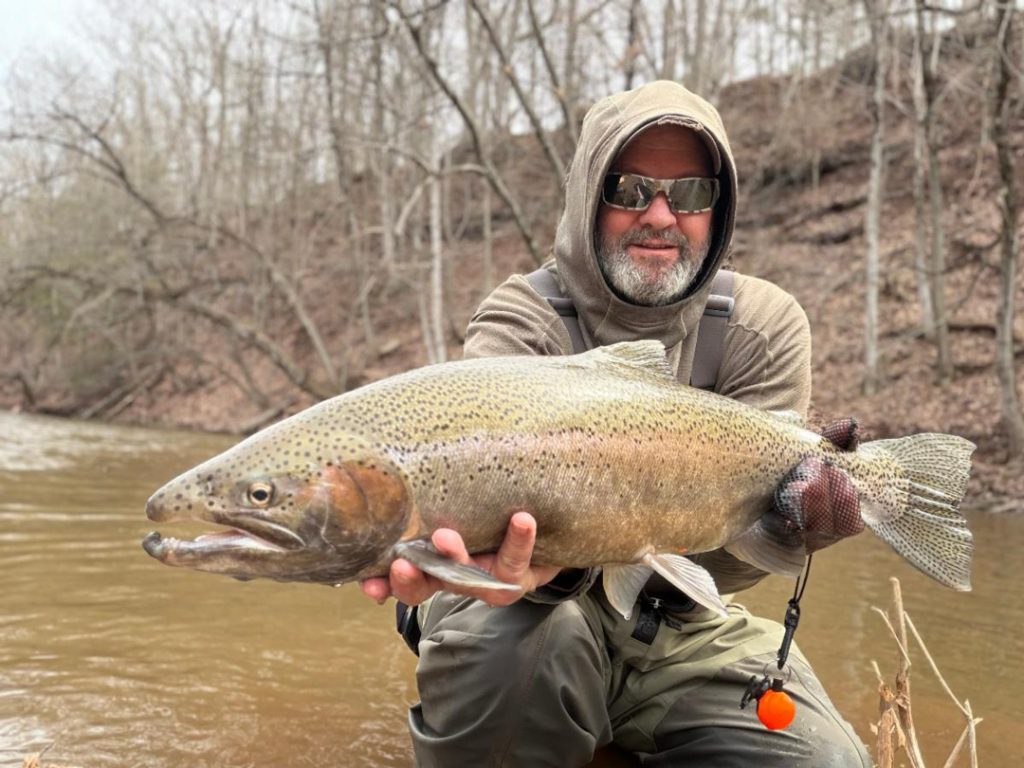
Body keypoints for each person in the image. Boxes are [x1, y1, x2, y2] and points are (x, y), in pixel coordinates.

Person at [360, 80, 871, 767]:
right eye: (629, 190)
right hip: (518, 605)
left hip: (681, 621)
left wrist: (794, 521)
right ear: (588, 198)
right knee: (520, 640)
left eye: (689, 194)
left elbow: (730, 572)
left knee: (824, 760)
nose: (660, 214)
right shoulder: (522, 319)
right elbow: (477, 528)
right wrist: (563, 556)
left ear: (716, 210)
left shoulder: (763, 326)